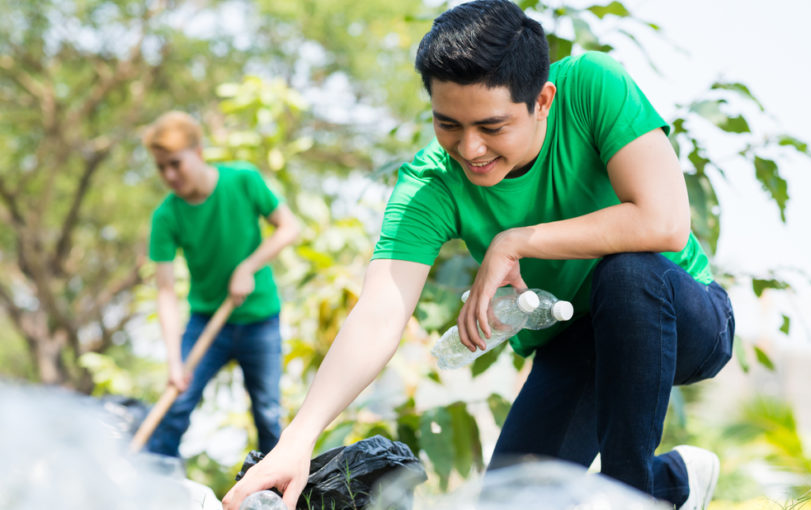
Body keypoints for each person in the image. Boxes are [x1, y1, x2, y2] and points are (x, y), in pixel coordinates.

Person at [222, 1, 734, 508]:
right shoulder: (431, 185)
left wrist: (515, 241)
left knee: (627, 273)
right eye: (449, 126)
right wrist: (297, 439)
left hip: (682, 315)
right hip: (578, 344)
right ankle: (674, 482)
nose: (469, 149)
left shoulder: (591, 85)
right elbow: (380, 311)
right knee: (508, 505)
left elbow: (663, 222)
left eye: (491, 127)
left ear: (543, 101)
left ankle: (634, 498)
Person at [142, 111, 299, 459]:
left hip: (260, 319)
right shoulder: (166, 216)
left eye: (175, 164)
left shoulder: (242, 180)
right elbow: (165, 291)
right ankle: (155, 489)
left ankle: (274, 498)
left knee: (268, 416)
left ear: (198, 152)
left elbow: (289, 227)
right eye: (161, 167)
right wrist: (173, 361)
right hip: (206, 323)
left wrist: (248, 266)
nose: (169, 175)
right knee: (175, 409)